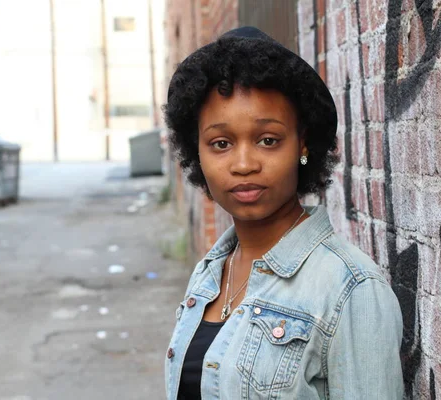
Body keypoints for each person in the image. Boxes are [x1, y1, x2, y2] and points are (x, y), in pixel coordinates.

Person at [163, 27, 404, 400]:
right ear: (199, 153)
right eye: (221, 143)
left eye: (267, 140)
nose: (243, 164)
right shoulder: (210, 273)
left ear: (302, 144)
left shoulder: (351, 290)